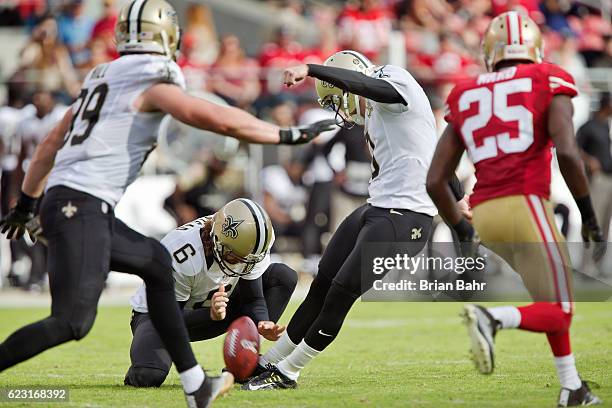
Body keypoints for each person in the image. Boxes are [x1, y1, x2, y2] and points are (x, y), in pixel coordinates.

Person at [0, 1, 334, 407]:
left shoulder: (102, 77)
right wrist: (286, 136)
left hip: (76, 203)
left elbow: (52, 142)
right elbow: (216, 118)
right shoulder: (150, 79)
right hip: (80, 206)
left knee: (156, 266)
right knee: (72, 322)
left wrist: (28, 203)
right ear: (166, 37)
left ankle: (197, 386)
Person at [243, 50, 466, 390]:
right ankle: (269, 362)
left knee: (339, 294)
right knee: (319, 287)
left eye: (338, 99)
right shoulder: (382, 111)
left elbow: (367, 84)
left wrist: (310, 69)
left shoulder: (395, 81)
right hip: (376, 208)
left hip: (406, 217)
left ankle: (289, 372)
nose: (341, 110)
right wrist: (459, 198)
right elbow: (430, 153)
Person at [425, 11, 605, 407]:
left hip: (485, 213)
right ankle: (494, 319)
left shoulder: (464, 91)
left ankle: (571, 386)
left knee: (549, 299)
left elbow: (436, 180)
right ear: (535, 49)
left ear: (491, 52)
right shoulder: (548, 77)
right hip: (525, 203)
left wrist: (464, 229)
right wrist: (590, 217)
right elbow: (569, 154)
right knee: (561, 309)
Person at [125, 198, 297, 388]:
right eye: (233, 256)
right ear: (216, 240)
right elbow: (170, 318)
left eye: (246, 259)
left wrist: (263, 322)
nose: (241, 264)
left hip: (216, 309)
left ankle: (243, 365)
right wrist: (211, 314)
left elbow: (253, 299)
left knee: (283, 277)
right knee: (147, 375)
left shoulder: (252, 244)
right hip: (159, 317)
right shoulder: (181, 253)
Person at [577, 92, 612, 244]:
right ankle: (587, 264)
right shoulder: (588, 126)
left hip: (609, 177)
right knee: (594, 219)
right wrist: (589, 160)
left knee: (605, 221)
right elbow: (573, 148)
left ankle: (597, 262)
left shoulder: (606, 125)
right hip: (597, 178)